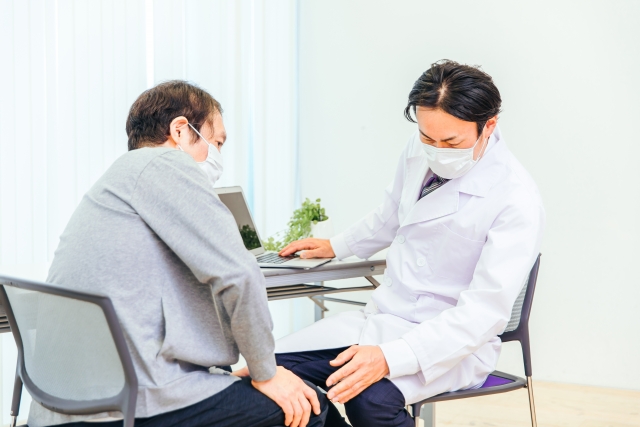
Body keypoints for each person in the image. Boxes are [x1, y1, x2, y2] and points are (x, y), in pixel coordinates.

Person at [29, 81, 327, 427]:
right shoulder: (165, 163)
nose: (217, 156)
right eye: (217, 143)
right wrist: (266, 372)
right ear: (181, 131)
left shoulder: (119, 180)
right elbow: (239, 274)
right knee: (311, 406)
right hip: (131, 404)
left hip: (66, 404)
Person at [273, 60, 545, 427]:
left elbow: (482, 314)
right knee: (275, 371)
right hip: (384, 319)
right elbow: (391, 213)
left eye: (451, 142)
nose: (437, 150)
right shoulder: (421, 149)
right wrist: (336, 245)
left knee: (368, 400)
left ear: (489, 126)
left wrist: (390, 358)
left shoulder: (516, 198)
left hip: (451, 343)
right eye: (427, 137)